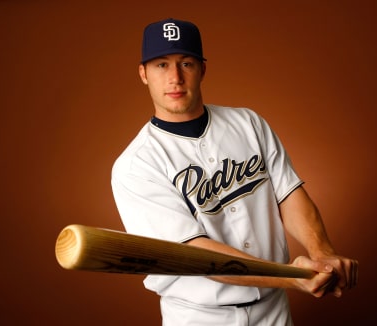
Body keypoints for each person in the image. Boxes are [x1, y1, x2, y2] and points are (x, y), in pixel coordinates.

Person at [111, 18, 358, 326]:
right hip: (199, 317)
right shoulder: (137, 165)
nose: (175, 77)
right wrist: (292, 278)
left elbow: (289, 195)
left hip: (274, 311)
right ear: (143, 73)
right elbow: (198, 256)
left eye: (185, 63)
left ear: (202, 68)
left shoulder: (248, 123)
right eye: (161, 65)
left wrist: (322, 253)